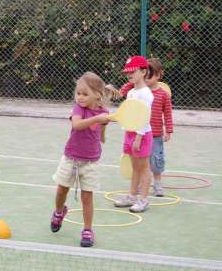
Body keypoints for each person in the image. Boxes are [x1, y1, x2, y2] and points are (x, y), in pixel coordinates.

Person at [50, 72, 110, 248]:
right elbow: (76, 125)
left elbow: (100, 128)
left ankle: (88, 230)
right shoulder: (78, 109)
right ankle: (60, 211)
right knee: (61, 190)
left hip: (91, 161)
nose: (80, 97)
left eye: (85, 94)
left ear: (97, 95)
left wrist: (103, 130)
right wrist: (98, 119)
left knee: (87, 196)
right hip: (70, 157)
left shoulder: (103, 112)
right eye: (78, 93)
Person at [118, 58, 173, 197]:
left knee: (155, 161)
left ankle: (155, 185)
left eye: (150, 74)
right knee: (139, 164)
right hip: (134, 132)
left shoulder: (158, 94)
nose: (148, 77)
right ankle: (137, 190)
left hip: (152, 134)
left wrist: (169, 130)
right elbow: (123, 95)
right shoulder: (134, 90)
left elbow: (167, 114)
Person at [113, 56, 154, 212]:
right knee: (134, 167)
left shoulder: (146, 94)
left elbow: (144, 117)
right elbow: (129, 114)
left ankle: (143, 199)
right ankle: (132, 196)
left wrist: (138, 137)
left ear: (143, 72)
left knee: (144, 168)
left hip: (141, 135)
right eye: (127, 72)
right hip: (129, 133)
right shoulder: (131, 93)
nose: (129, 75)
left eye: (133, 71)